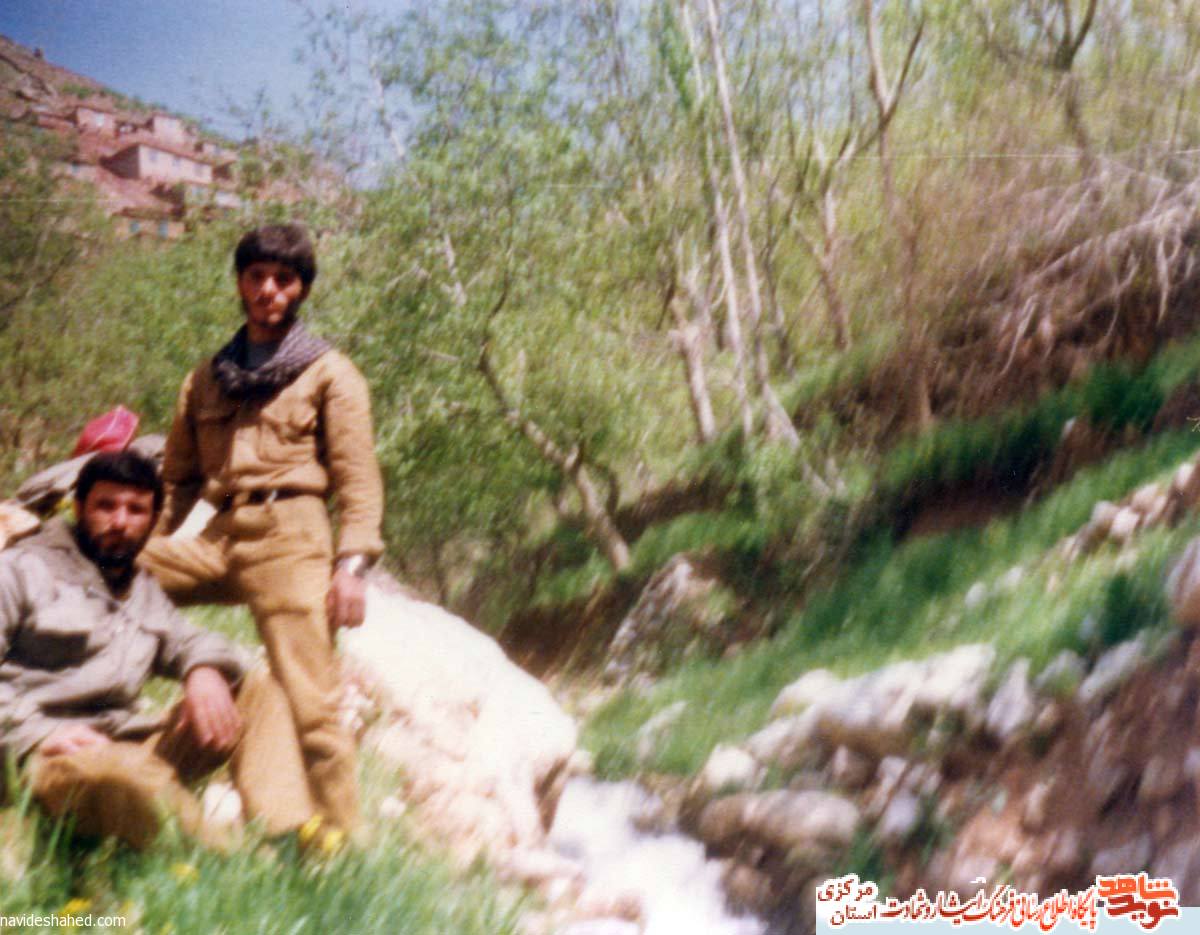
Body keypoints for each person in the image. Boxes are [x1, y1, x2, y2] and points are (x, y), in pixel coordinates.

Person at [139, 223, 384, 842]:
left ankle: (341, 846)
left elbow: (358, 478)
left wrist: (351, 566)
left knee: (313, 704)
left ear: (301, 290)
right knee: (109, 579)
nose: (268, 290)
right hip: (221, 534)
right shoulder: (207, 376)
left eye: (283, 279)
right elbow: (177, 482)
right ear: (240, 283)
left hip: (292, 537)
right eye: (256, 277)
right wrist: (133, 549)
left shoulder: (330, 373)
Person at [0, 451, 317, 849]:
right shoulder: (21, 569)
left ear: (152, 521)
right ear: (79, 508)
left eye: (136, 510)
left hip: (121, 744)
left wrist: (201, 669)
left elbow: (187, 640)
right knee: (128, 769)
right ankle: (233, 865)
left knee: (256, 691)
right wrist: (39, 733)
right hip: (39, 757)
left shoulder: (140, 587)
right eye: (105, 506)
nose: (120, 522)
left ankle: (285, 838)